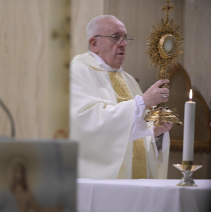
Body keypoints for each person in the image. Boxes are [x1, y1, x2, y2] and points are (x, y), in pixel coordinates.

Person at [70, 15, 173, 179]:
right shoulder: (78, 71)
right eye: (115, 37)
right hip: (103, 183)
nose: (123, 44)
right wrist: (142, 103)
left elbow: (136, 137)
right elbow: (87, 122)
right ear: (94, 43)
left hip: (138, 183)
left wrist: (155, 134)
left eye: (125, 38)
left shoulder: (128, 80)